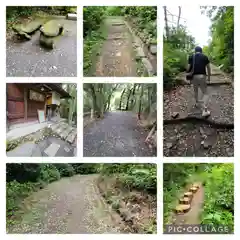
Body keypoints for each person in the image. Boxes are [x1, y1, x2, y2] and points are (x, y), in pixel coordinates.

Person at [187, 46, 211, 117]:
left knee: (195, 91)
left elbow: (188, 68)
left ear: (195, 51)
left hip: (194, 77)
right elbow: (208, 68)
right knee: (205, 93)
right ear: (201, 51)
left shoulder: (191, 56)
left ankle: (197, 103)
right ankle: (204, 110)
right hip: (202, 76)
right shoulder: (205, 57)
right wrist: (209, 77)